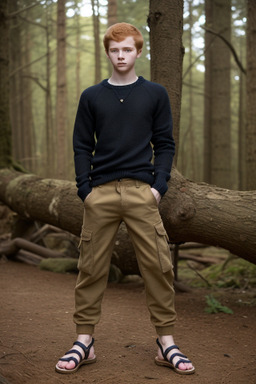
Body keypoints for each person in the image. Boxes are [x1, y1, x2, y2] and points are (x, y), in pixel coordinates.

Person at [55, 22, 195, 376]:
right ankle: (83, 342)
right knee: (90, 269)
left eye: (127, 49)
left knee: (159, 268)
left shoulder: (155, 94)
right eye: (115, 50)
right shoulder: (92, 96)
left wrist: (157, 188)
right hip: (99, 193)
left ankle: (167, 343)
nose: (121, 55)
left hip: (140, 192)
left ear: (138, 51)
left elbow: (165, 144)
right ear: (108, 53)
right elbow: (82, 145)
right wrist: (84, 191)